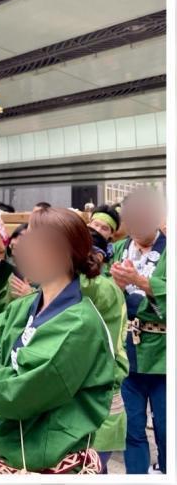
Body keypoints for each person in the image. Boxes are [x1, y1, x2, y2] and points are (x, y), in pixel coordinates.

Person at [0, 208, 123, 473]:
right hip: (5, 459)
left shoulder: (79, 324)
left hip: (51, 467)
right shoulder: (23, 307)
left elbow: (20, 392)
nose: (21, 247)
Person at [112, 186, 166, 474]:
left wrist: (144, 284)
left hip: (163, 355)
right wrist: (113, 288)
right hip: (127, 354)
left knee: (167, 429)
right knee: (131, 429)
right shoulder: (119, 250)